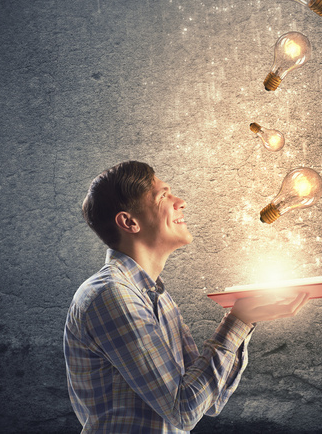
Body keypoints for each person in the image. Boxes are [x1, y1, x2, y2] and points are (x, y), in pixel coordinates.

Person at [64, 160, 308, 433]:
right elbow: (184, 410)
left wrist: (245, 321)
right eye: (163, 196)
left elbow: (208, 402)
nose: (181, 202)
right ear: (129, 222)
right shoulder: (112, 296)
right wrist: (237, 320)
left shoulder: (154, 295)